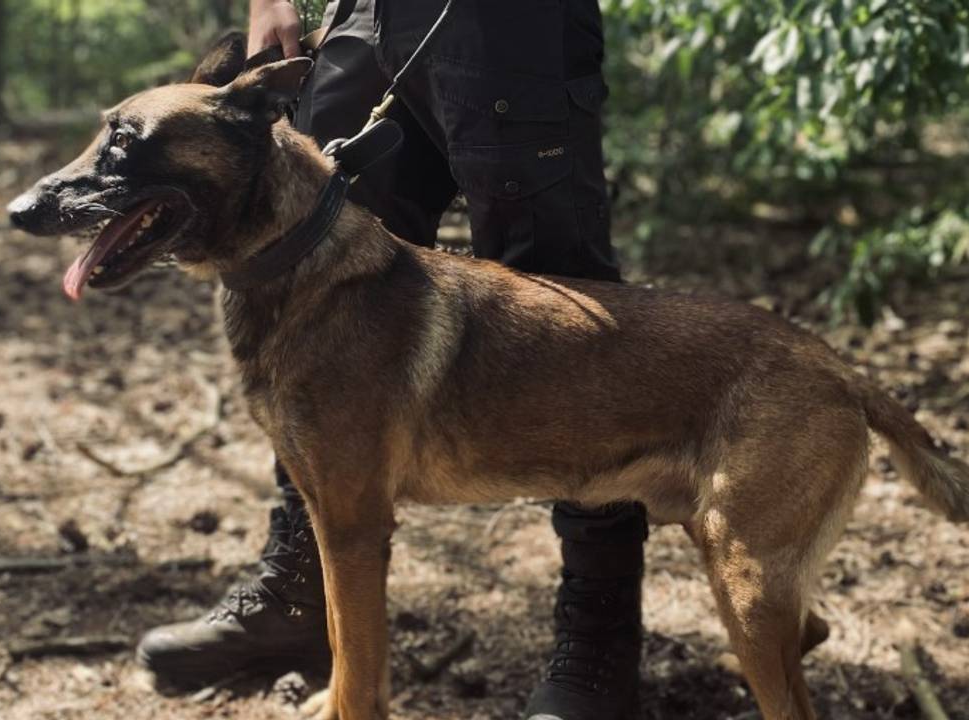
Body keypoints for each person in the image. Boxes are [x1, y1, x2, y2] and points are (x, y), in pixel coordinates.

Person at [137, 1, 648, 717]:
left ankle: (600, 641)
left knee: (569, 313)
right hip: (363, 15)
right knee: (307, 283)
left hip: (513, 28)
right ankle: (302, 598)